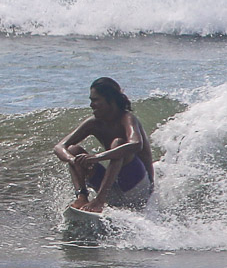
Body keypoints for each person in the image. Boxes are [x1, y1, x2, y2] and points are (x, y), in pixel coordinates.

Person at [54, 77, 155, 211]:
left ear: (110, 100)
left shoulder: (127, 118)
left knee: (118, 143)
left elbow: (136, 143)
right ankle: (82, 197)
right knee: (73, 150)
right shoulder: (94, 123)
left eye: (95, 100)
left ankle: (99, 200)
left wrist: (98, 157)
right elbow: (59, 147)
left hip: (137, 188)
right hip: (113, 189)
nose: (91, 105)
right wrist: (74, 161)